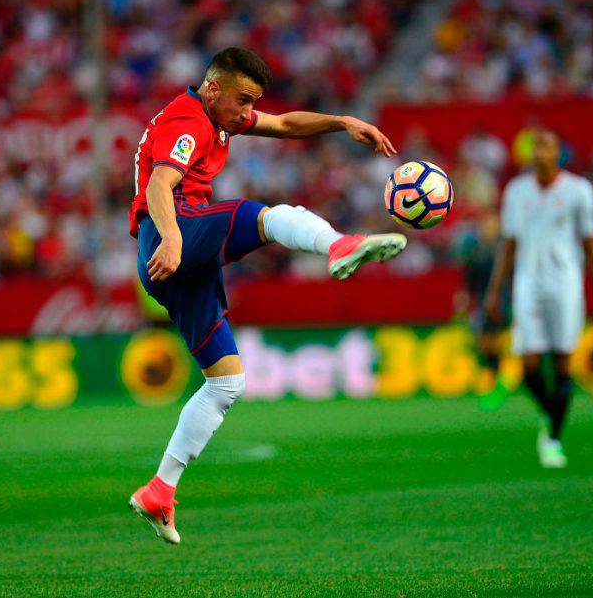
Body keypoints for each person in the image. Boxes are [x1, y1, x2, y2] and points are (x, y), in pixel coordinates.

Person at [127, 47, 407, 544]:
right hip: (174, 233)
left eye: (252, 101)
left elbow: (283, 125)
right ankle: (337, 244)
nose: (246, 111)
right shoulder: (188, 119)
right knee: (262, 215)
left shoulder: (218, 116)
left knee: (226, 384)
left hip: (178, 259)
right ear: (214, 88)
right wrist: (172, 236)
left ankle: (160, 489)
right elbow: (159, 184)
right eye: (242, 100)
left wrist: (342, 121)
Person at [483, 129, 593, 469]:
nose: (540, 151)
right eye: (537, 146)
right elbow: (508, 243)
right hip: (527, 283)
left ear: (558, 153)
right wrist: (495, 290)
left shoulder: (579, 191)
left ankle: (552, 438)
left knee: (564, 363)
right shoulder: (516, 191)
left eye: (547, 146)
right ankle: (551, 413)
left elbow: (592, 244)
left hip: (566, 283)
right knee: (529, 367)